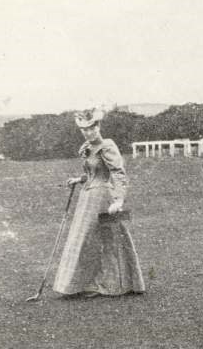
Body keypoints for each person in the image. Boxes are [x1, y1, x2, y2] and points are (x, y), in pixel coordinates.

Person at [52, 108, 145, 297]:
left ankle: (113, 283)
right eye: (84, 129)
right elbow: (92, 173)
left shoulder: (107, 145)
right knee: (86, 241)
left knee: (108, 240)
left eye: (91, 128)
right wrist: (79, 180)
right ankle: (85, 283)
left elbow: (118, 174)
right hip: (87, 199)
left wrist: (119, 200)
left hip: (103, 198)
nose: (88, 132)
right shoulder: (87, 147)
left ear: (98, 126)